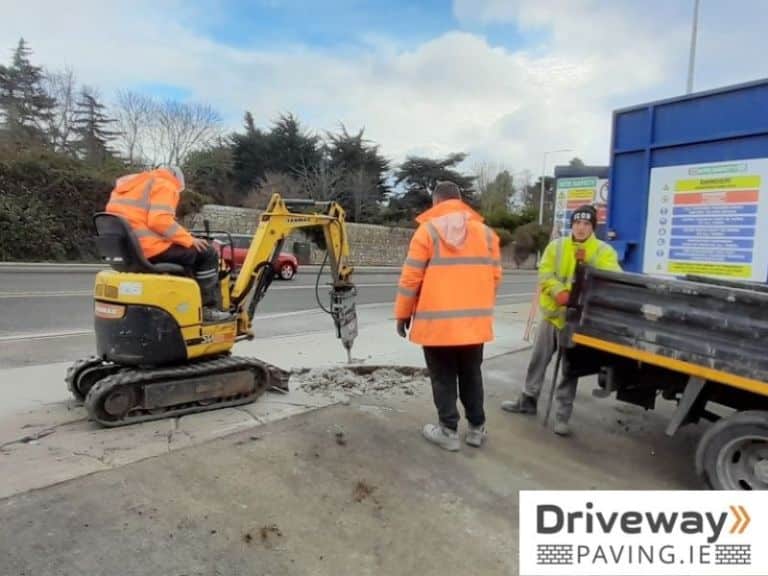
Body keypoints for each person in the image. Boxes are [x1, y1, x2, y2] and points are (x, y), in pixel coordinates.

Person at [394, 181, 502, 451]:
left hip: (437, 325)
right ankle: (477, 429)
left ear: (435, 203)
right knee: (471, 374)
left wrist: (403, 314)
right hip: (473, 325)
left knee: (442, 377)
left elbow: (411, 280)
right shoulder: (487, 235)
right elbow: (495, 278)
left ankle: (448, 431)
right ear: (460, 200)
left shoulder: (426, 233)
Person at [501, 204, 621, 436]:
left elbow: (611, 280)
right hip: (552, 315)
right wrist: (558, 291)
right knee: (539, 358)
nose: (581, 228)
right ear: (572, 225)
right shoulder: (557, 247)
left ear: (593, 227)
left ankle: (562, 415)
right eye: (577, 223)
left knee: (570, 368)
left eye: (586, 224)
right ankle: (527, 399)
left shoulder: (603, 251)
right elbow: (545, 272)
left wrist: (582, 294)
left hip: (578, 321)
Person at [105, 166, 229, 322]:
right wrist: (189, 239)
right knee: (207, 254)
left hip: (126, 251)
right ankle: (207, 309)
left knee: (188, 254)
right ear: (176, 179)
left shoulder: (129, 187)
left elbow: (141, 222)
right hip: (149, 249)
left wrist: (181, 236)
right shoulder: (165, 184)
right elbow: (159, 220)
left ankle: (183, 301)